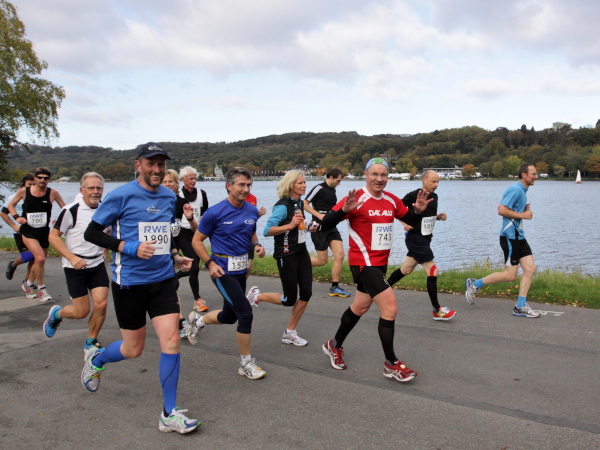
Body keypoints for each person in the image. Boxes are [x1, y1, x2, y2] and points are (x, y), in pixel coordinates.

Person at [82, 142, 200, 434]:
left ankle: (169, 414)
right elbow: (92, 232)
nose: (157, 169)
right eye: (151, 164)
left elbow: (164, 236)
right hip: (130, 283)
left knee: (171, 341)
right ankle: (97, 359)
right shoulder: (121, 195)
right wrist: (128, 247)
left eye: (161, 164)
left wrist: (175, 256)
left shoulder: (169, 196)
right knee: (133, 349)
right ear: (138, 165)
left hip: (162, 281)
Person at [320, 157, 432, 383]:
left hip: (380, 264)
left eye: (383, 175)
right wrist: (343, 210)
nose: (379, 179)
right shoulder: (356, 198)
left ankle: (334, 345)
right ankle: (391, 363)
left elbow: (409, 219)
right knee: (390, 308)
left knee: (360, 307)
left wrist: (418, 211)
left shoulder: (391, 200)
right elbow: (326, 223)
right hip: (363, 263)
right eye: (374, 174)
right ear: (366, 175)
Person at [187, 167, 267, 379]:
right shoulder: (214, 213)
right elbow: (196, 241)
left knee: (229, 316)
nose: (245, 189)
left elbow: (251, 234)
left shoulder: (251, 210)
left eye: (248, 185)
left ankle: (197, 322)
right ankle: (246, 364)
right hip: (222, 271)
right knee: (245, 314)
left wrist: (257, 245)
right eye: (241, 185)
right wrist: (210, 263)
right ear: (228, 186)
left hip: (241, 270)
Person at [245, 170, 316, 347]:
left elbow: (298, 225)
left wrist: (308, 226)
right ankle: (257, 296)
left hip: (301, 252)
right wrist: (290, 225)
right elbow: (267, 231)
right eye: (300, 183)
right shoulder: (282, 206)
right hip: (286, 255)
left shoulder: (299, 203)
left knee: (306, 293)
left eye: (304, 182)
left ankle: (289, 333)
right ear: (291, 185)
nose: (304, 185)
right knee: (289, 299)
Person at [44, 173, 109, 353]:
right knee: (81, 312)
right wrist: (72, 258)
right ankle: (57, 314)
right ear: (82, 190)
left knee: (101, 304)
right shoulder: (70, 210)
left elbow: (109, 233)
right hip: (74, 267)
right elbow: (53, 237)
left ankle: (91, 342)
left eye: (99, 188)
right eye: (91, 188)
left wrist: (106, 251)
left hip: (97, 264)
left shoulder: (105, 210)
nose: (95, 192)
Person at [465, 163, 540, 318]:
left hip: (519, 236)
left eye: (536, 174)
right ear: (524, 175)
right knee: (509, 275)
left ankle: (520, 307)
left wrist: (521, 210)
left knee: (530, 269)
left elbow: (510, 210)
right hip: (510, 237)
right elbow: (502, 210)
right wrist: (523, 215)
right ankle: (474, 284)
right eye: (533, 174)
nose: (536, 176)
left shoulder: (522, 191)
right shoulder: (516, 189)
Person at [387, 170, 457, 321]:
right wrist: (404, 222)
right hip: (415, 238)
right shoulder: (414, 195)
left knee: (405, 270)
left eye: (437, 182)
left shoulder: (434, 197)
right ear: (424, 180)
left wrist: (438, 217)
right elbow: (395, 209)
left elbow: (426, 217)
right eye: (433, 181)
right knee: (433, 270)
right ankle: (437, 310)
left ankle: (379, 290)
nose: (436, 185)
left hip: (425, 238)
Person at [7, 167, 65, 302]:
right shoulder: (24, 191)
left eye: (45, 178)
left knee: (39, 261)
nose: (42, 180)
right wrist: (17, 218)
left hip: (43, 231)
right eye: (39, 178)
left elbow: (65, 208)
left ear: (49, 179)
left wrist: (59, 218)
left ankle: (28, 284)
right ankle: (41, 289)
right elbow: (10, 205)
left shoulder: (53, 193)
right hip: (28, 231)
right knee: (40, 258)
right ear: (35, 178)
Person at [303, 168, 351, 298]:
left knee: (340, 255)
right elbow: (305, 204)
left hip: (331, 227)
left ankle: (335, 287)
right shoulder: (319, 188)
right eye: (338, 181)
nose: (339, 183)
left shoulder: (332, 190)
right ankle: (295, 265)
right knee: (322, 260)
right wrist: (318, 215)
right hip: (319, 228)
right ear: (330, 177)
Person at [162, 169, 197, 338]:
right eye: (165, 181)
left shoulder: (181, 202)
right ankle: (180, 320)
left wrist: (190, 218)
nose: (168, 184)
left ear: (177, 183)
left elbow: (195, 229)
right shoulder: (155, 202)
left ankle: (180, 320)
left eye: (171, 181)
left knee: (191, 266)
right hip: (162, 246)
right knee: (168, 284)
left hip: (176, 241)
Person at [176, 166, 209, 313]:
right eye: (191, 179)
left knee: (194, 267)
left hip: (197, 233)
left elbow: (206, 213)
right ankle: (198, 299)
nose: (194, 181)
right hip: (182, 232)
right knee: (194, 265)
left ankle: (174, 277)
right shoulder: (177, 194)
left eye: (195, 178)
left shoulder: (202, 193)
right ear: (183, 179)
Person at [2, 174, 36, 283]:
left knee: (35, 257)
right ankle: (13, 264)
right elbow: (3, 213)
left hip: (36, 230)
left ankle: (28, 281)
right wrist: (13, 225)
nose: (32, 187)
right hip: (21, 231)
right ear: (23, 185)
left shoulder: (38, 196)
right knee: (27, 256)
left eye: (34, 184)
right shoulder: (15, 197)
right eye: (29, 184)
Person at [244, 190, 266, 277]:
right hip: (238, 236)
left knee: (248, 267)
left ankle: (242, 283)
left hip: (249, 235)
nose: (246, 188)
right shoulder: (236, 197)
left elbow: (251, 220)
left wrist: (259, 215)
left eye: (248, 185)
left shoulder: (253, 198)